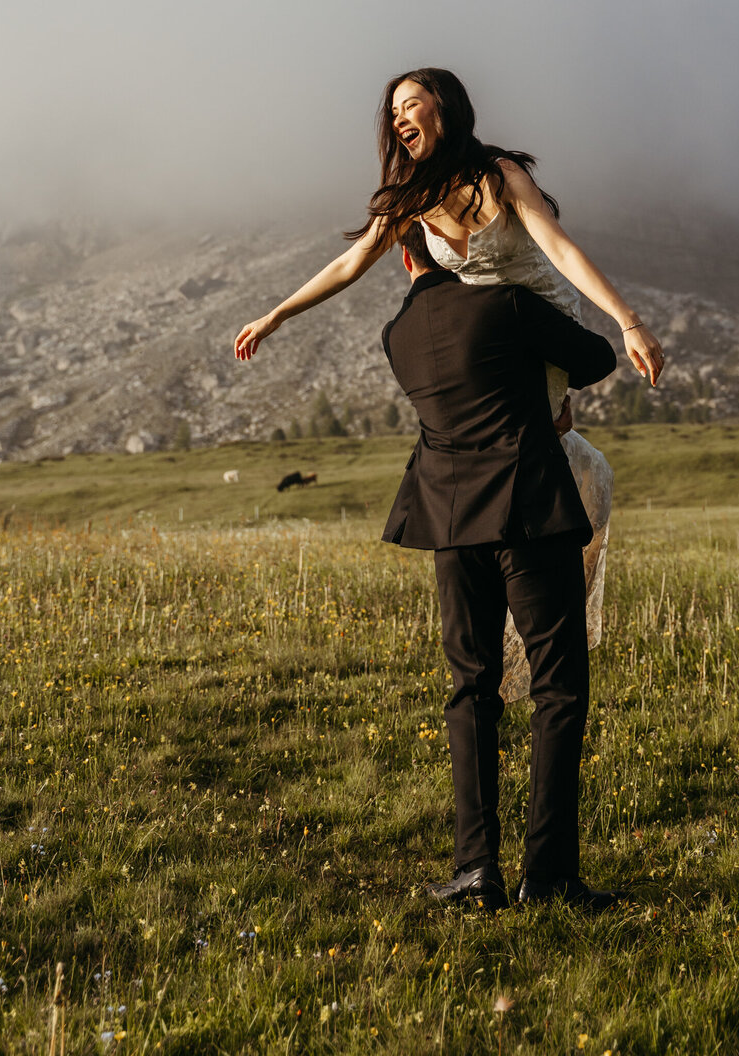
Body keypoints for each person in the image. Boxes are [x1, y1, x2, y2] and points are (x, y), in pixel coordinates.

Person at [234, 67, 665, 686]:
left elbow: (563, 252)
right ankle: (521, 603)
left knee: (543, 445)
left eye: (410, 104)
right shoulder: (409, 194)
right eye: (392, 113)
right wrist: (276, 314)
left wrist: (628, 321)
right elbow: (351, 261)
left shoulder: (501, 177)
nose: (398, 118)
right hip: (489, 344)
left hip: (538, 325)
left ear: (445, 107)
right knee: (535, 452)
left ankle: (548, 610)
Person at [381, 219, 618, 910]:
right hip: (530, 512)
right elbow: (596, 357)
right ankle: (548, 876)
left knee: (470, 687)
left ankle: (475, 868)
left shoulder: (396, 337)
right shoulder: (507, 306)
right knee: (559, 687)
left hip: (450, 524)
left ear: (404, 258)